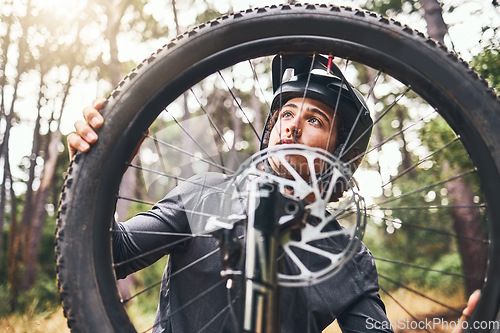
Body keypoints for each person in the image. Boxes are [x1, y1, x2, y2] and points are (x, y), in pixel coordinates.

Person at [67, 55, 477, 333]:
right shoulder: (205, 195)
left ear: (339, 152)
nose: (291, 128)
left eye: (314, 119)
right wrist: (99, 169)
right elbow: (111, 255)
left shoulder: (347, 257)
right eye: (285, 114)